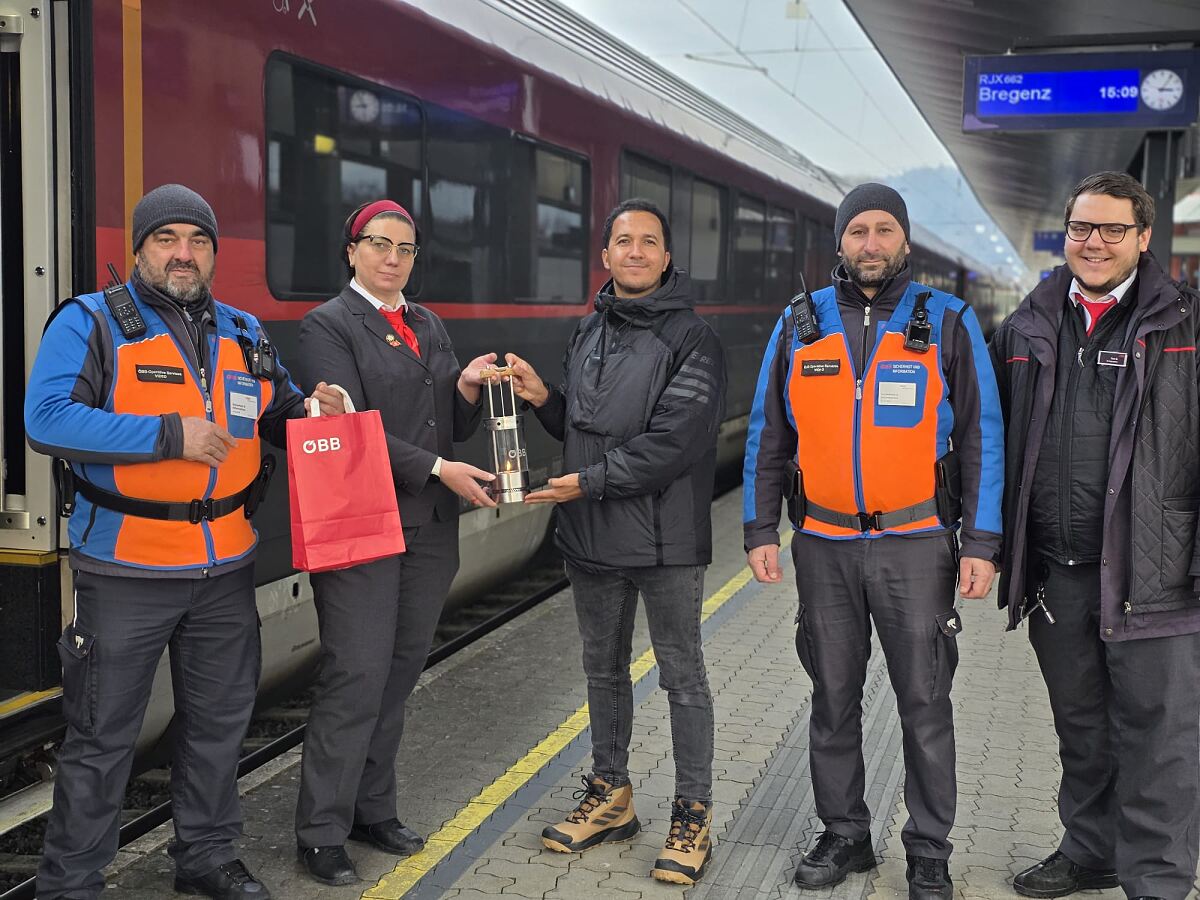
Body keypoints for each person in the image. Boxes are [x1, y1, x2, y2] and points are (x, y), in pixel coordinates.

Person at [25, 184, 344, 900]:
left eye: (198, 241)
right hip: (125, 569)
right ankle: (70, 882)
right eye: (167, 239)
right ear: (139, 249)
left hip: (226, 568)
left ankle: (205, 855)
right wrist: (167, 435)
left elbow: (279, 411)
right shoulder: (91, 322)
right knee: (103, 737)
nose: (183, 253)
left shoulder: (243, 331)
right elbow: (45, 420)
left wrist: (315, 411)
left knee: (218, 726)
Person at [743, 183, 1003, 900]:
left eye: (884, 229)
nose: (870, 243)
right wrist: (760, 527)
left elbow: (984, 434)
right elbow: (769, 434)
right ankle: (845, 834)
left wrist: (981, 542)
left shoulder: (948, 320)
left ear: (904, 242)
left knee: (924, 700)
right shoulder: (799, 324)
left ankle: (928, 850)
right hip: (821, 544)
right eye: (857, 230)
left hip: (916, 545)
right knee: (831, 696)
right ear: (839, 242)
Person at [989, 171, 1200, 900]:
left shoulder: (1184, 325)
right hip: (1061, 573)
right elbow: (993, 442)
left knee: (1159, 741)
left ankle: (1158, 881)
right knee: (1082, 729)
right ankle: (1091, 852)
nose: (1095, 242)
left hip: (1156, 575)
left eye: (1114, 229)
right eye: (1082, 228)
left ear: (1144, 239)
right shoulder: (1027, 326)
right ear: (1066, 234)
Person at [504, 198, 725, 885]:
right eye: (622, 241)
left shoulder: (694, 340)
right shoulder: (586, 332)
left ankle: (693, 813)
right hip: (592, 536)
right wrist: (545, 400)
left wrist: (586, 483)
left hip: (664, 542)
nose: (634, 252)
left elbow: (671, 445)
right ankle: (611, 797)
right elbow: (584, 424)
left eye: (648, 242)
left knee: (682, 677)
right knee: (602, 672)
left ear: (665, 257)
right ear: (604, 255)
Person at [292, 199, 498, 886]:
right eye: (379, 244)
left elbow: (447, 425)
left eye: (405, 248)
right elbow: (353, 428)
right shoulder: (327, 326)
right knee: (355, 675)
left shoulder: (427, 324)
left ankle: (370, 808)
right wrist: (439, 470)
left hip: (429, 531)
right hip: (363, 528)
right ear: (351, 251)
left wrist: (465, 390)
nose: (392, 258)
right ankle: (320, 829)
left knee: (400, 672)